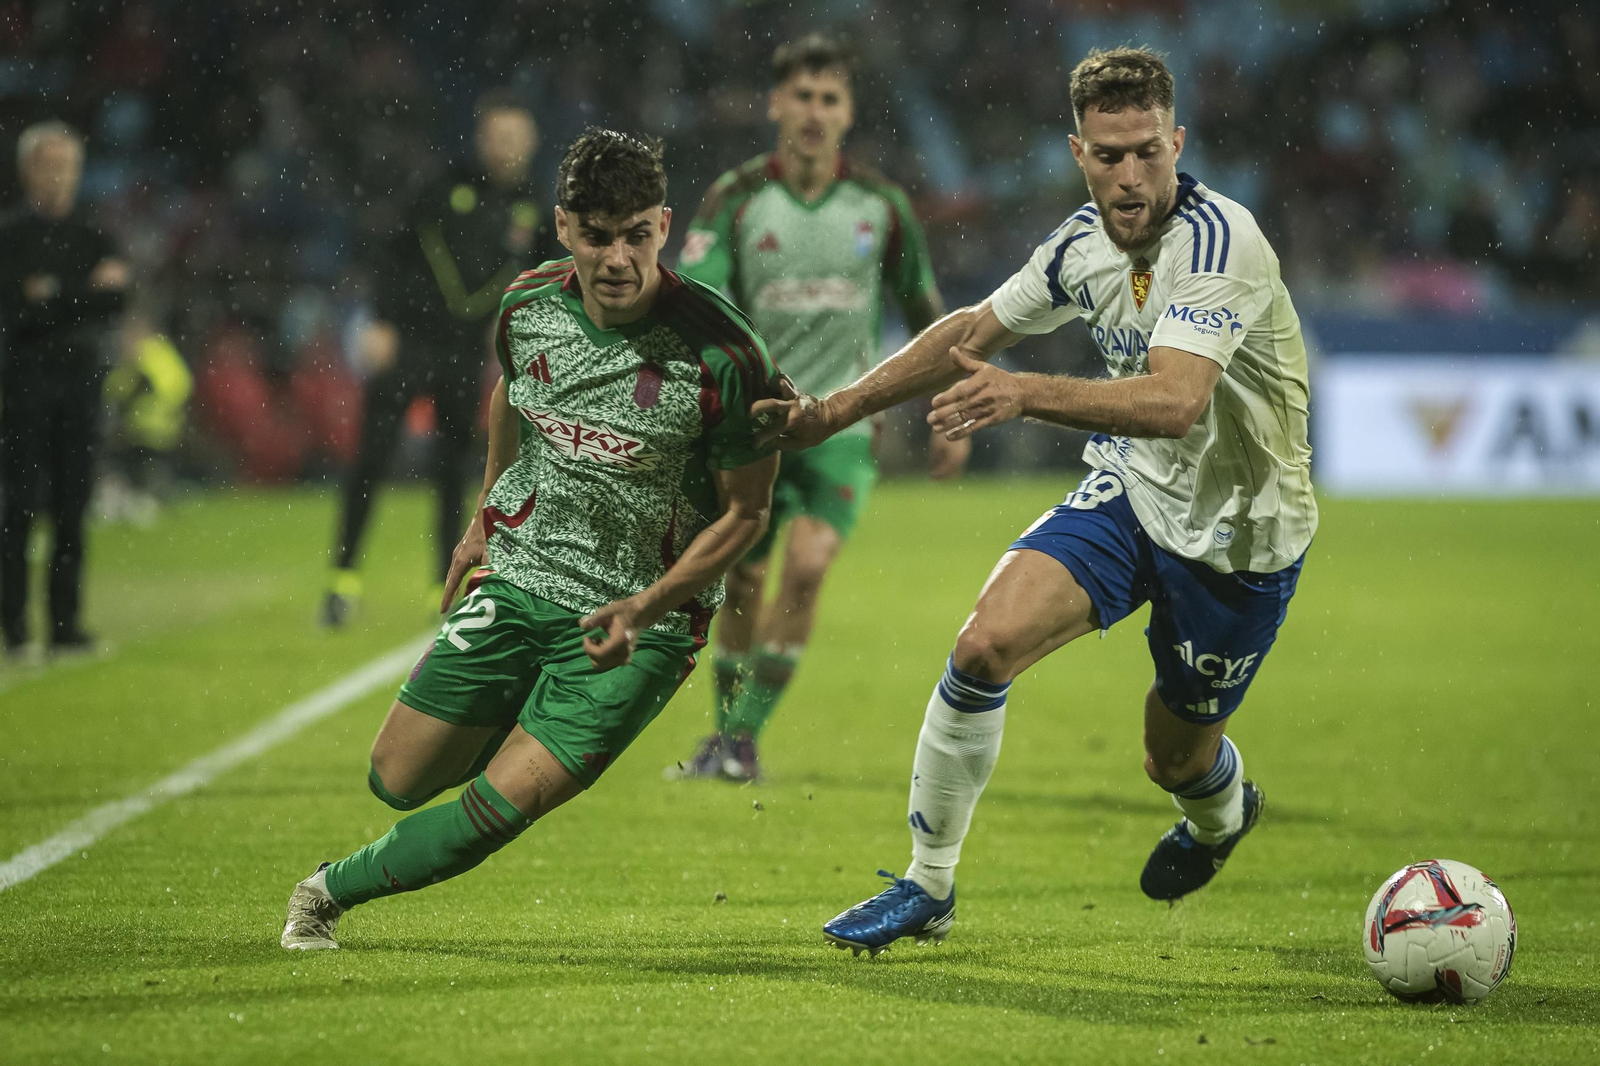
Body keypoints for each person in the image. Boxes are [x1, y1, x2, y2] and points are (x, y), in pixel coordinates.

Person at [757, 47, 1317, 953]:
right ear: (1078, 152)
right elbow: (971, 334)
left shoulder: (1223, 244)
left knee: (1173, 756)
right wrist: (833, 411)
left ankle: (1220, 818)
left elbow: (1175, 403)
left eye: (1146, 152)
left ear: (1177, 142)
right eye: (1107, 155)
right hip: (1134, 494)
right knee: (982, 647)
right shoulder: (1078, 245)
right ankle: (926, 884)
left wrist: (1023, 392)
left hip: (1240, 536)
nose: (1129, 177)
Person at [282, 128, 783, 950]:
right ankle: (524, 708)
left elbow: (746, 514)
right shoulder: (527, 307)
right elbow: (513, 399)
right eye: (597, 234)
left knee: (493, 812)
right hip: (520, 576)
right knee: (396, 777)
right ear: (562, 227)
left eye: (636, 235)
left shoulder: (725, 352)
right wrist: (484, 519)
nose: (618, 257)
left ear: (665, 223)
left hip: (637, 628)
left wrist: (647, 605)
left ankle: (323, 894)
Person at [670, 34, 966, 783]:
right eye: (800, 96)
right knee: (740, 581)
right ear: (775, 104)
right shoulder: (737, 198)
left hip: (840, 425)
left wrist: (952, 407)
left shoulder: (881, 205)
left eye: (828, 98)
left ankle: (740, 740)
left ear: (848, 112)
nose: (813, 111)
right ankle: (723, 738)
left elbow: (928, 314)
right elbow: (698, 305)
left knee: (805, 569)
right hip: (752, 427)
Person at [323, 92, 547, 626]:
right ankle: (341, 582)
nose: (505, 148)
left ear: (532, 143)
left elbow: (546, 277)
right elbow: (391, 245)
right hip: (409, 341)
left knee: (454, 469)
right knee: (371, 458)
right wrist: (378, 319)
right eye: (496, 137)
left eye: (514, 138)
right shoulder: (443, 186)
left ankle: (440, 587)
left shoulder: (537, 209)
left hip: (463, 353)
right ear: (480, 139)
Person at [0, 121, 129, 658]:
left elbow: (116, 300)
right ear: (27, 170)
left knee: (74, 505)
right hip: (23, 384)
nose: (60, 178)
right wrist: (82, 295)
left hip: (79, 384)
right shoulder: (10, 237)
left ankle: (65, 623)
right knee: (19, 506)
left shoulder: (94, 234)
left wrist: (50, 297)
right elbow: (16, 310)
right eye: (50, 166)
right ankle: (14, 625)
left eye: (69, 167)